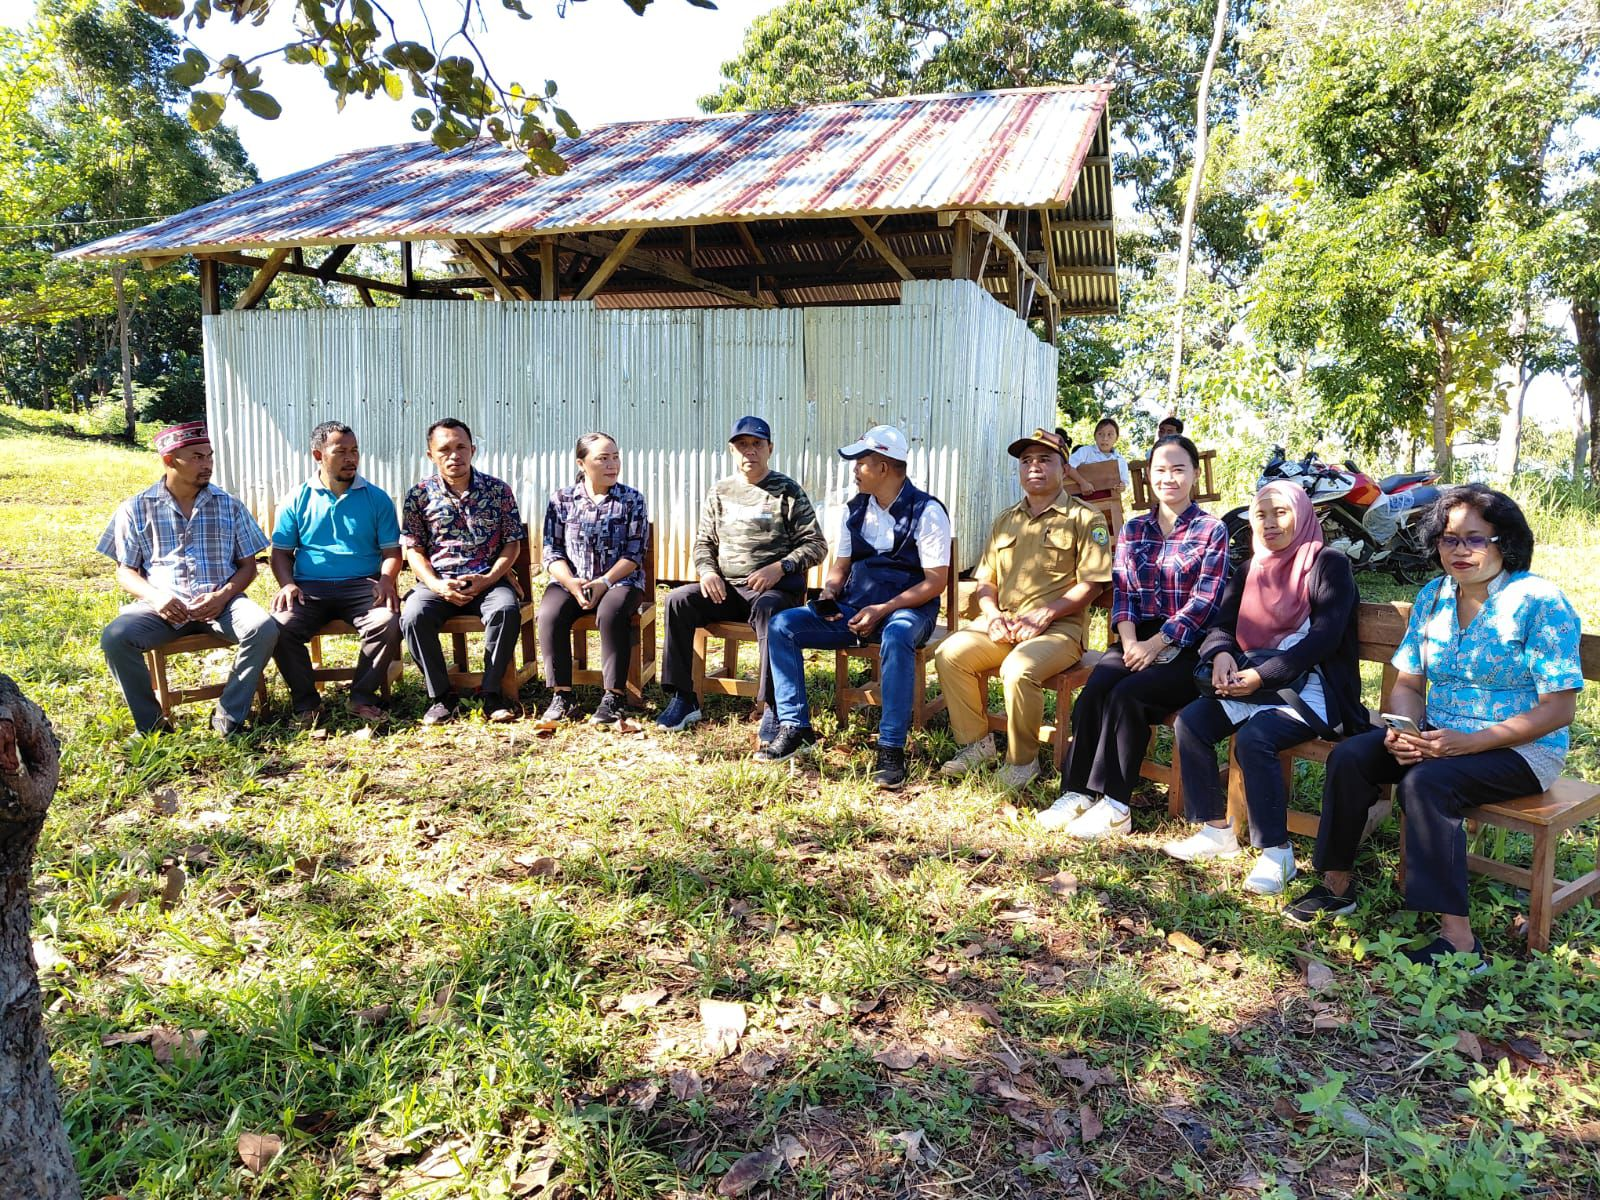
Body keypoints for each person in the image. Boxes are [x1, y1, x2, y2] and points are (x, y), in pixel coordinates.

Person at [1288, 485, 1582, 967]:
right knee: (1351, 757)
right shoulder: (1434, 596)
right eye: (1449, 539)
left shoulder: (1539, 601)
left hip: (1523, 749)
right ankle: (1336, 885)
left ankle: (1461, 942)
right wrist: (1403, 729)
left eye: (1476, 539)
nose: (1461, 550)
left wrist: (1468, 744)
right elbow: (1407, 681)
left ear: (1503, 543)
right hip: (1438, 737)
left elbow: (1558, 709)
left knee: (1425, 784)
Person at [1162, 482, 1362, 893]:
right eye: (1261, 515)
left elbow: (1323, 639)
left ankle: (1277, 852)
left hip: (1315, 688)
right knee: (1192, 722)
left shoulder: (1328, 565)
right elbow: (1222, 625)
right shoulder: (1250, 568)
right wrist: (1220, 655)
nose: (1270, 524)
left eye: (1280, 513)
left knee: (1255, 739)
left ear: (1303, 515)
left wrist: (1262, 675)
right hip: (1255, 681)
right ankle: (1216, 831)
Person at [1037, 434, 1229, 835]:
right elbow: (1123, 591)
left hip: (1188, 643)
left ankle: (1117, 803)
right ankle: (1077, 791)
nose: (1169, 478)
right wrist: (1129, 643)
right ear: (1149, 477)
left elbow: (1205, 602)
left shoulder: (1212, 530)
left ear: (1194, 473)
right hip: (1133, 633)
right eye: (1161, 470)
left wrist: (1157, 643)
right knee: (1096, 689)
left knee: (1129, 695)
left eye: (1179, 469)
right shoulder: (1134, 529)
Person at [756, 425, 951, 788]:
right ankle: (795, 726)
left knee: (897, 633)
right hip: (856, 606)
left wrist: (884, 608)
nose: (854, 469)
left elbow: (934, 582)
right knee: (783, 626)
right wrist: (830, 592)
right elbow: (840, 567)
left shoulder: (927, 511)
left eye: (861, 462)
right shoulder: (854, 509)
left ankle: (891, 748)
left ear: (884, 467)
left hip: (909, 609)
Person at [935, 428, 1112, 790]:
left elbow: (1093, 583)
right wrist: (992, 613)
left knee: (1018, 669)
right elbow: (986, 580)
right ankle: (976, 744)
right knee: (950, 652)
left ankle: (1022, 761)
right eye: (1026, 461)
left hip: (1059, 631)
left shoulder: (1085, 518)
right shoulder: (1006, 520)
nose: (1034, 467)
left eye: (1044, 460)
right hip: (1006, 624)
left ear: (1064, 468)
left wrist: (1047, 613)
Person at [97, 421, 277, 737]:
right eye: (196, 457)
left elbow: (249, 566)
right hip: (163, 608)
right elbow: (125, 570)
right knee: (115, 637)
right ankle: (152, 725)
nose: (206, 464)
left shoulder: (228, 505)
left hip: (222, 604)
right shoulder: (137, 507)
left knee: (263, 628)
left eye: (209, 456)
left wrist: (222, 596)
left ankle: (229, 713)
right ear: (169, 460)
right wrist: (156, 598)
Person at [656, 416, 828, 737]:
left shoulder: (787, 491)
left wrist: (780, 567)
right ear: (732, 451)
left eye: (757, 444)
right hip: (727, 590)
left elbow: (816, 546)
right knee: (678, 600)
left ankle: (772, 707)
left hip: (773, 592)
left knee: (770, 611)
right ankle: (684, 697)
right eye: (742, 445)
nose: (750, 451)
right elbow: (704, 542)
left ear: (770, 449)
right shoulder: (721, 491)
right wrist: (707, 572)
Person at [268, 421, 403, 726]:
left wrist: (386, 580)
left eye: (354, 451)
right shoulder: (297, 499)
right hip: (309, 588)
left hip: (362, 586)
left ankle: (362, 698)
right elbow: (280, 553)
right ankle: (307, 705)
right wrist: (287, 584)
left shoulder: (375, 498)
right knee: (279, 626)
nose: (351, 458)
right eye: (341, 451)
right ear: (318, 454)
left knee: (387, 621)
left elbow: (392, 552)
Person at [400, 418, 526, 725]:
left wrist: (488, 579)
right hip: (438, 584)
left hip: (488, 580)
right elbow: (413, 549)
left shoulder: (498, 491)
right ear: (431, 454)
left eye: (461, 447)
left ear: (473, 449)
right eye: (444, 449)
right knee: (413, 616)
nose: (454, 455)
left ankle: (492, 693)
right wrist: (436, 585)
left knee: (507, 610)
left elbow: (512, 545)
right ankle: (441, 697)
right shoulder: (419, 496)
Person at [538, 432, 650, 726]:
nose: (612, 464)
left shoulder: (631, 499)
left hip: (621, 582)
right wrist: (571, 582)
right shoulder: (562, 499)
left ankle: (614, 696)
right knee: (550, 613)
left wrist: (605, 581)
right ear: (582, 463)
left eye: (615, 456)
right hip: (571, 581)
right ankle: (562, 695)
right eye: (603, 458)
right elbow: (551, 550)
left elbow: (635, 552)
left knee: (611, 612)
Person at [1068, 417, 1132, 503]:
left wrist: (1121, 487)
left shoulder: (1120, 461)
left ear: (1116, 438)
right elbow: (1068, 466)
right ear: (1095, 436)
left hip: (1110, 501)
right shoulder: (1085, 451)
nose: (1105, 438)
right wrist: (1082, 483)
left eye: (1110, 434)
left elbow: (1123, 484)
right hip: (1082, 501)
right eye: (1100, 434)